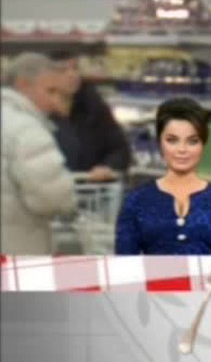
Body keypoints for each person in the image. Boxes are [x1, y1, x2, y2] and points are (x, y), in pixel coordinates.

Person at [115, 97, 211, 255]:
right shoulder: (136, 201)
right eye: (172, 140)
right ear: (160, 142)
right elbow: (125, 261)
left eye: (192, 141)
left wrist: (207, 275)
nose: (182, 150)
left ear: (203, 144)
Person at [1, 52, 77, 255]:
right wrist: (70, 201)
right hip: (18, 247)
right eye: (50, 91)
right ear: (22, 84)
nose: (54, 102)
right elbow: (52, 198)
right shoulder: (26, 129)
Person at [47, 50, 132, 181]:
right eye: (62, 70)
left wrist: (108, 167)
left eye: (75, 68)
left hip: (91, 188)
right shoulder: (38, 113)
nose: (72, 75)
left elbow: (120, 149)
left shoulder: (93, 107)